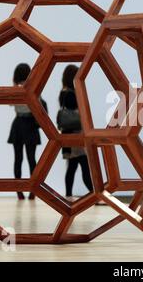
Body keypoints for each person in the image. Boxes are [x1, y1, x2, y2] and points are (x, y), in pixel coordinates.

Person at [8, 63, 45, 200]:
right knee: (31, 159)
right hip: (30, 124)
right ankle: (33, 190)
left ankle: (19, 191)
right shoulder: (34, 88)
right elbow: (38, 104)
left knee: (18, 159)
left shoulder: (15, 89)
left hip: (18, 124)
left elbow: (11, 104)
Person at [58, 65, 93, 199]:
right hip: (75, 135)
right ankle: (95, 194)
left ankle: (68, 195)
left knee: (72, 167)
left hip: (68, 134)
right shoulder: (71, 94)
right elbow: (77, 110)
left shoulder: (64, 92)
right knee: (83, 165)